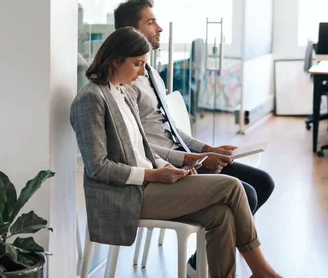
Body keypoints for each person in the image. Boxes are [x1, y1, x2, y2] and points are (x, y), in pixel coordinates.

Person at [71, 27, 281, 278]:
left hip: (151, 183)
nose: (142, 71)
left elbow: (143, 147)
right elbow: (98, 167)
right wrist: (152, 175)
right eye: (137, 64)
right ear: (115, 60)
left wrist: (164, 166)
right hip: (128, 195)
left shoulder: (123, 91)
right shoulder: (90, 99)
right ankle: (263, 272)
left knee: (221, 215)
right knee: (233, 187)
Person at [113, 0, 275, 275]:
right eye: (150, 22)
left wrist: (208, 149)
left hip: (187, 157)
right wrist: (193, 158)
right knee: (244, 193)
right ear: (131, 30)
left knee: (263, 183)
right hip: (168, 166)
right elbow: (139, 145)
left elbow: (174, 130)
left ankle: (200, 264)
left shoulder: (151, 73)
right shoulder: (125, 83)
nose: (159, 28)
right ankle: (215, 266)